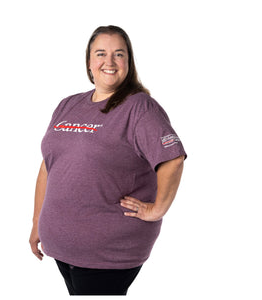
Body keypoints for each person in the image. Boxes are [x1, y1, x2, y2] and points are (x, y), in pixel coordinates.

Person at [29, 25, 187, 296]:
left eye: (119, 54)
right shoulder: (68, 105)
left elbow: (172, 158)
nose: (109, 62)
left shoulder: (139, 108)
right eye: (101, 53)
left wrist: (157, 209)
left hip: (107, 253)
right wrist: (37, 223)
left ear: (129, 61)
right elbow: (48, 166)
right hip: (62, 248)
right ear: (89, 62)